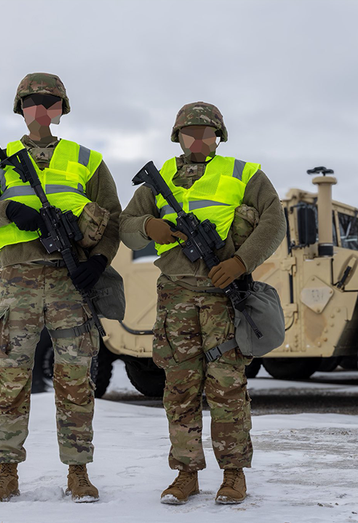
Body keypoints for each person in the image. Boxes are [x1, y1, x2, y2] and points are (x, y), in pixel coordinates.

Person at [0, 72, 121, 503]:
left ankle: (78, 473)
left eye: (50, 102)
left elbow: (113, 219)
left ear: (60, 110)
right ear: (22, 109)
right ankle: (7, 472)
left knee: (76, 381)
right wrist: (11, 209)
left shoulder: (86, 159)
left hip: (72, 281)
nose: (41, 110)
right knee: (10, 379)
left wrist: (100, 262)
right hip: (18, 280)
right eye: (33, 102)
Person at [120, 102, 285, 505]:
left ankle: (233, 476)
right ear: (178, 136)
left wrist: (240, 262)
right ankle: (186, 475)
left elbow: (273, 220)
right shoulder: (157, 183)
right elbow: (125, 228)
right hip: (176, 295)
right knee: (179, 388)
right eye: (189, 132)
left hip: (223, 296)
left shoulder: (244, 174)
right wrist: (149, 226)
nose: (198, 139)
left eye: (206, 133)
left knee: (227, 386)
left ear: (218, 137)